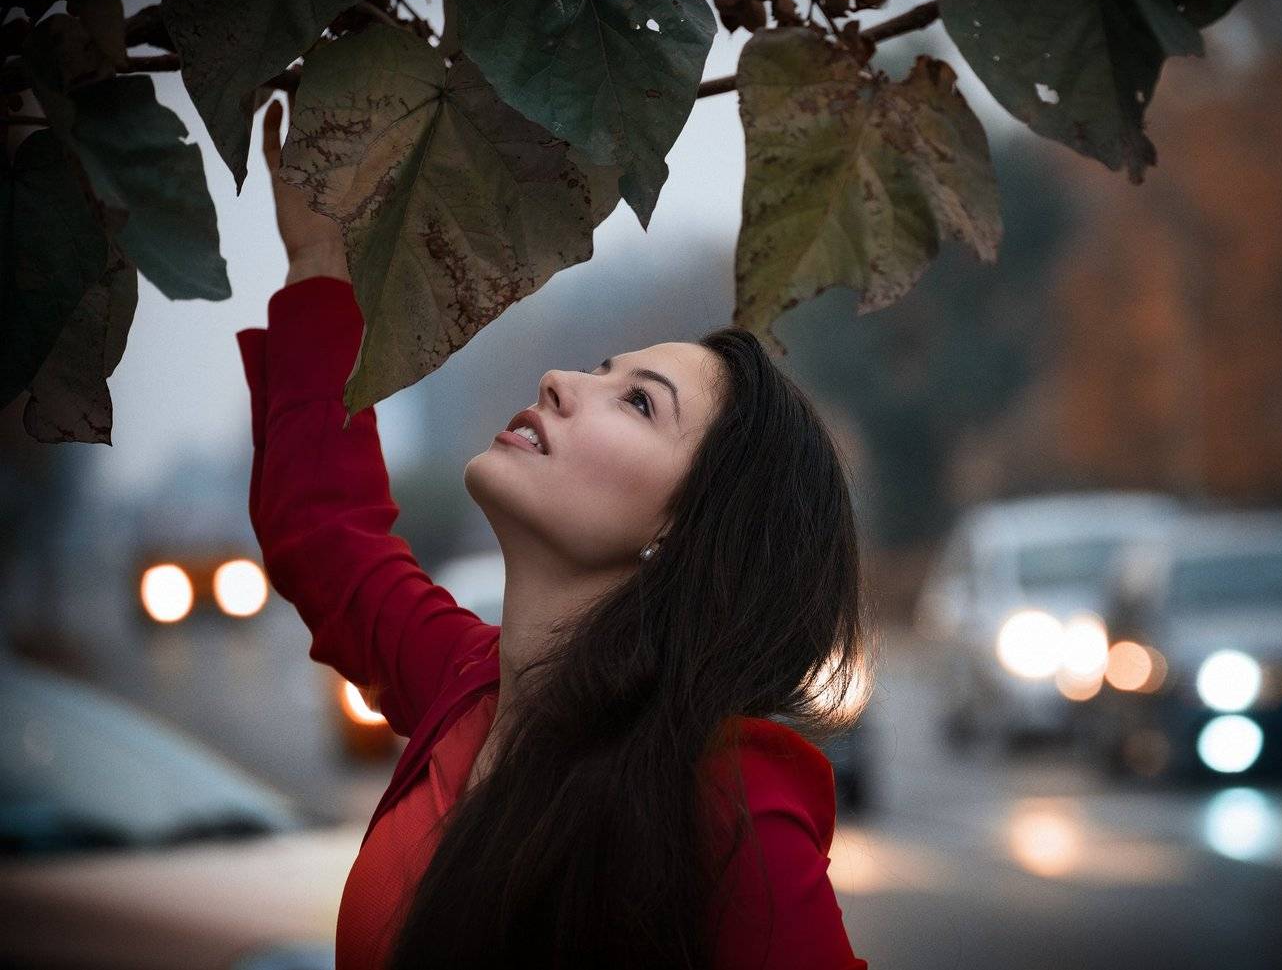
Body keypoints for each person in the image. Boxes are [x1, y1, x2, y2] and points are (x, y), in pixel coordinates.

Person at [238, 94, 876, 969]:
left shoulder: (729, 808)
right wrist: (321, 261)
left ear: (690, 535)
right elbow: (322, 531)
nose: (559, 379)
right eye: (603, 368)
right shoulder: (469, 691)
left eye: (639, 402)